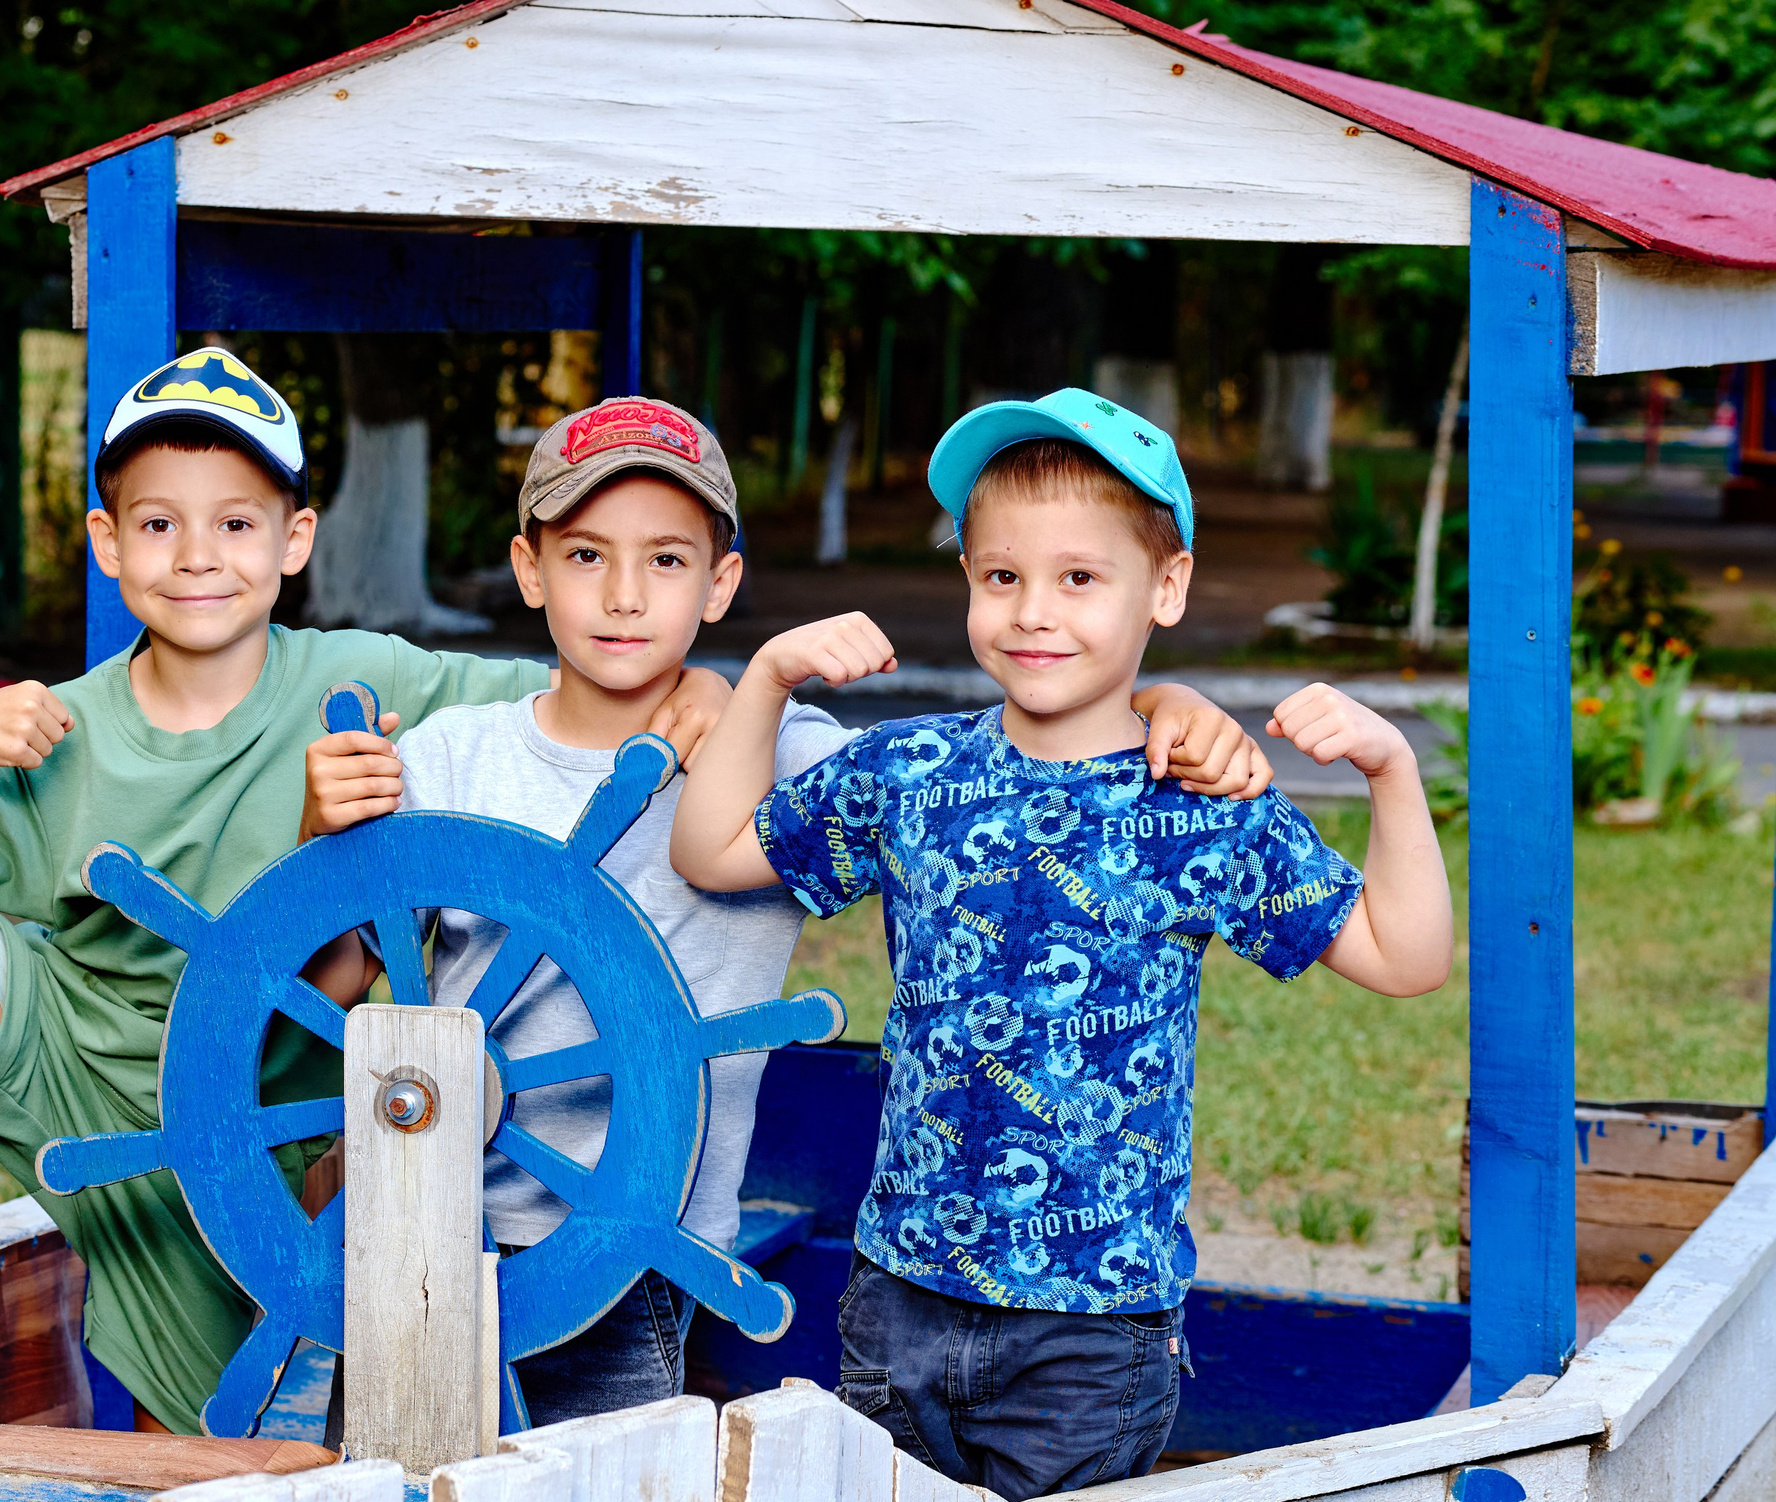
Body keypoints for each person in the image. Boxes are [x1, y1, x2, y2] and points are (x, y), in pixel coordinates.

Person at [0, 349, 736, 1426]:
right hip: (66, 1058)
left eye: (235, 524)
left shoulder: (367, 677)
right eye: (156, 524)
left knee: (199, 1429)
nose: (196, 556)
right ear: (106, 542)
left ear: (294, 539)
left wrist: (706, 688)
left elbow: (585, 677)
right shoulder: (54, 727)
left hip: (260, 1097)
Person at [297, 396, 1277, 1428]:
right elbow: (331, 996)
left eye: (667, 561)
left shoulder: (792, 756)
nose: (624, 595)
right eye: (586, 556)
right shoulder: (452, 758)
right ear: (530, 569)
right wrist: (324, 846)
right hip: (419, 1238)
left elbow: (1007, 765)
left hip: (640, 1248)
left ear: (720, 583)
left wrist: (1170, 712)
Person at [669, 388, 1452, 1498]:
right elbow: (713, 851)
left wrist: (1390, 771)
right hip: (901, 1302)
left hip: (1095, 1330)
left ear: (1164, 588)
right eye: (1002, 576)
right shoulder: (909, 772)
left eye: (1078, 578)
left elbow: (1402, 956)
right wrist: (765, 677)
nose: (1034, 610)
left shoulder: (1201, 799)